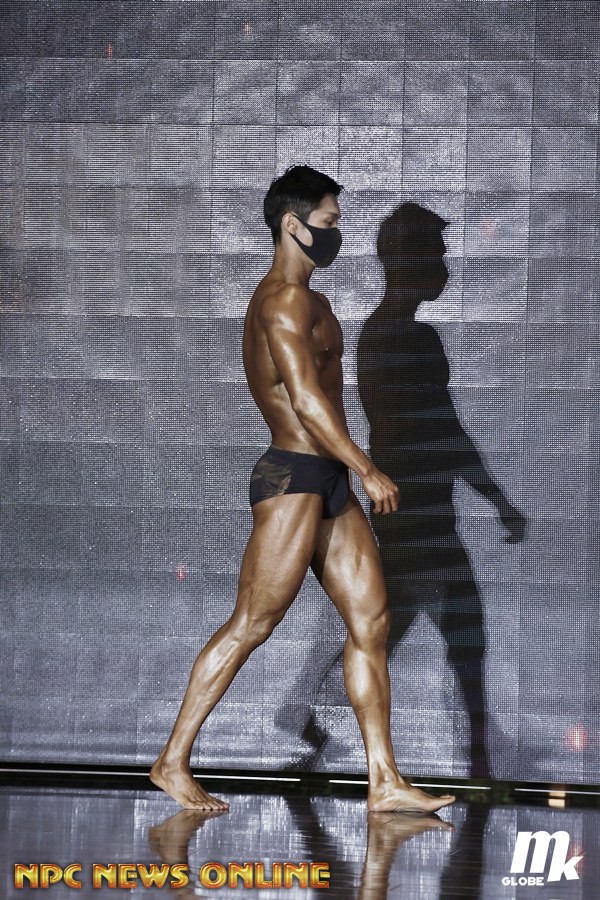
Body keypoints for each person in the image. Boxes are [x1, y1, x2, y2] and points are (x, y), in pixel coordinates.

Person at [150, 165, 455, 814]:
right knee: (252, 624)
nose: (335, 233)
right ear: (293, 224)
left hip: (329, 481)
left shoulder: (315, 302)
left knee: (372, 620)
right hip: (292, 478)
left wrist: (349, 472)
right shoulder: (282, 301)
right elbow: (308, 400)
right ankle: (171, 760)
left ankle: (383, 781)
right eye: (328, 222)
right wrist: (367, 467)